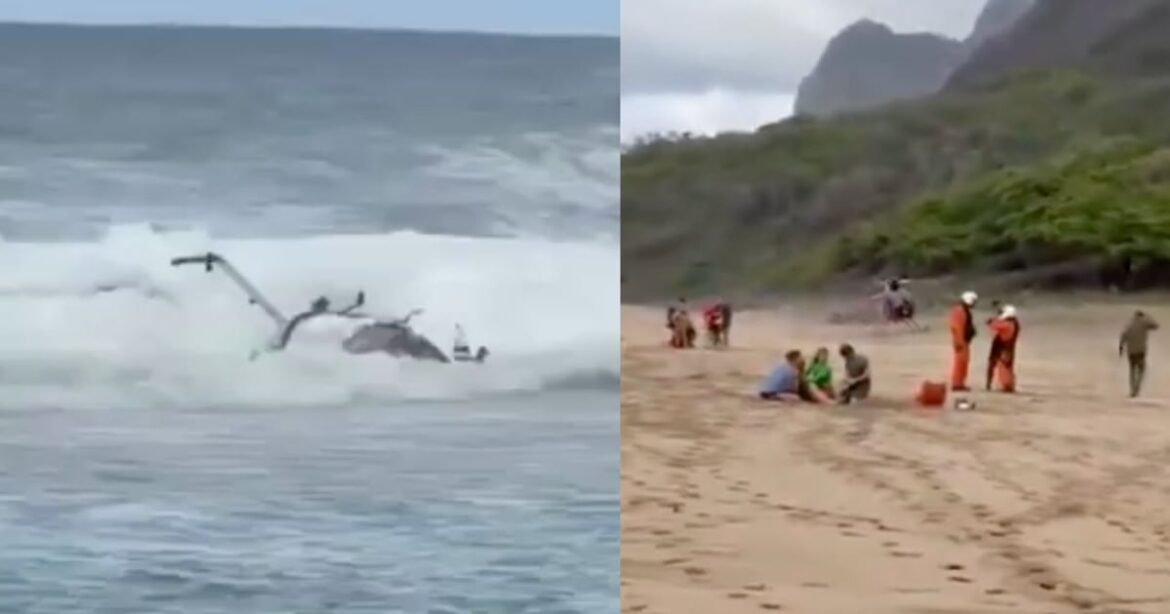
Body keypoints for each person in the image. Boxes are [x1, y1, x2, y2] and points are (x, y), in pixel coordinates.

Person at [1119, 310, 1159, 398]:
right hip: (1140, 351)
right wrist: (1148, 317)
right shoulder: (1144, 323)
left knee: (1132, 371)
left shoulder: (1129, 324)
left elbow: (1123, 336)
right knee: (1142, 370)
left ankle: (1132, 390)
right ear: (1142, 316)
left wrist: (1121, 348)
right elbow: (1156, 326)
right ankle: (1136, 389)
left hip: (1131, 352)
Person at [949, 291, 979, 391]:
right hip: (961, 341)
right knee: (960, 363)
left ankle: (960, 382)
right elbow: (957, 327)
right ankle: (957, 384)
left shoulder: (965, 310)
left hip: (964, 340)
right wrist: (959, 341)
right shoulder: (960, 311)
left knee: (964, 362)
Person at [986, 304, 1020, 393]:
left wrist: (993, 319)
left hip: (1002, 347)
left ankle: (1007, 386)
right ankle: (1008, 385)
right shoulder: (1014, 324)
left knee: (1003, 367)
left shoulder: (1007, 325)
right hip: (1007, 347)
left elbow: (992, 324)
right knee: (1007, 367)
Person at [986, 300, 1004, 390]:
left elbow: (994, 325)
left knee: (993, 363)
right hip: (999, 342)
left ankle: (989, 383)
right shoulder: (1005, 320)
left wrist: (990, 323)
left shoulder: (1004, 322)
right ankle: (990, 383)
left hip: (999, 342)